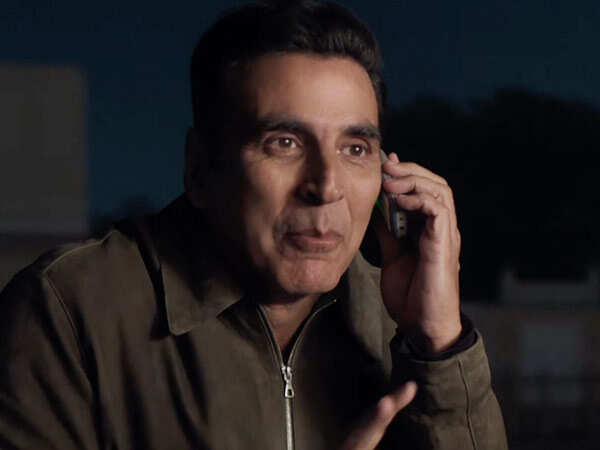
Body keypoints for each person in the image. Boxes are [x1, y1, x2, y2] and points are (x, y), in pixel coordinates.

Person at [0, 1, 507, 449]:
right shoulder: (69, 312)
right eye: (284, 143)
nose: (326, 185)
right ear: (200, 168)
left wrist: (440, 345)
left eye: (355, 149)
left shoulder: (398, 322)